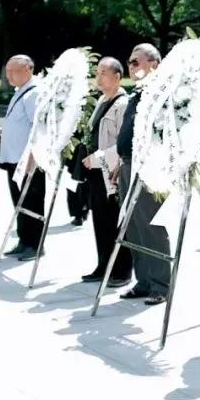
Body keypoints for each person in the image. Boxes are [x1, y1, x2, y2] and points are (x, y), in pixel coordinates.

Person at [115, 43, 172, 305]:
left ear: (154, 64)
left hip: (149, 167)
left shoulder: (161, 92)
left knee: (151, 225)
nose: (131, 66)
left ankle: (161, 284)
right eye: (130, 61)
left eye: (136, 62)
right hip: (128, 164)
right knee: (133, 226)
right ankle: (144, 281)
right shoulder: (137, 91)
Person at [79, 57, 132, 287]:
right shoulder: (102, 100)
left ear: (117, 77)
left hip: (111, 172)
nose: (98, 78)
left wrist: (98, 158)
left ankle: (121, 271)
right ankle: (103, 266)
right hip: (95, 172)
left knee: (115, 221)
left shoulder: (123, 104)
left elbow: (123, 143)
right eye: (97, 73)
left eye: (103, 73)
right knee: (100, 221)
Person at [0, 55, 44, 261]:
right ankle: (24, 240)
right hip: (14, 158)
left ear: (28, 69)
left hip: (28, 160)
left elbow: (38, 128)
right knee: (19, 202)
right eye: (7, 71)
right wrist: (2, 137)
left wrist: (33, 155)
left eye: (13, 71)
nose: (9, 76)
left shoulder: (34, 93)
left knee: (32, 202)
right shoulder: (21, 91)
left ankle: (36, 245)